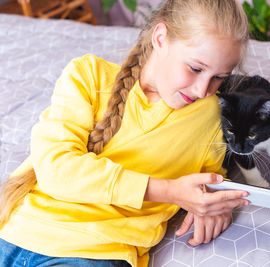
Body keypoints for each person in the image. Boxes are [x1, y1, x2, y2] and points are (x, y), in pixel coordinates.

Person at [0, 0, 250, 266]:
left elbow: (206, 183)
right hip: (15, 230)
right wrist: (169, 191)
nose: (203, 90)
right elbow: (56, 168)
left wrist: (211, 208)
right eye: (196, 69)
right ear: (161, 38)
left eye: (219, 77)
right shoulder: (88, 75)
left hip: (92, 254)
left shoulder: (211, 115)